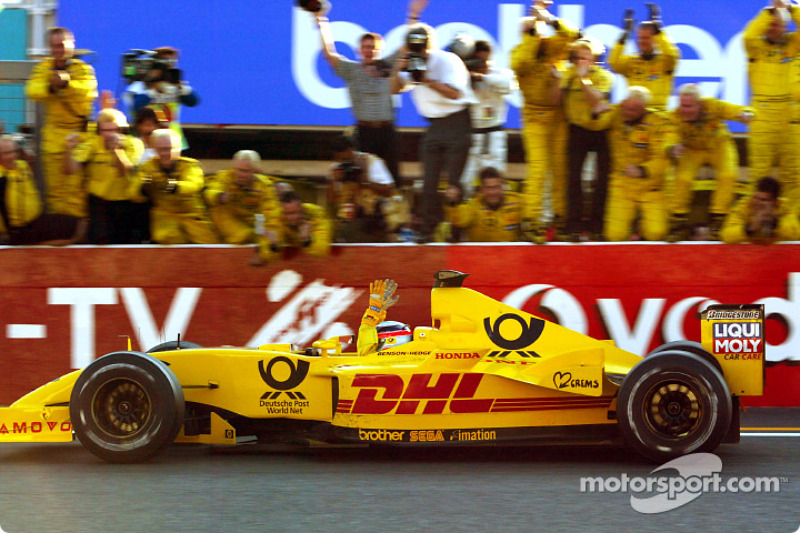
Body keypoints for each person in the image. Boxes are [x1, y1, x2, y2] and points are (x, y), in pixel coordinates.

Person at [390, 0, 477, 243]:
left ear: (431, 45)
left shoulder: (447, 60)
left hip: (458, 123)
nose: (421, 53)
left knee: (454, 184)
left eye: (423, 48)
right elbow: (394, 89)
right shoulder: (412, 62)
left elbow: (455, 93)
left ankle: (456, 229)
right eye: (416, 48)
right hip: (434, 126)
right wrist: (400, 65)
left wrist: (427, 80)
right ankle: (428, 230)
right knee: (428, 183)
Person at [511, 1, 579, 242]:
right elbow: (520, 64)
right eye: (530, 31)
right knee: (538, 169)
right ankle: (531, 221)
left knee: (560, 169)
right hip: (535, 117)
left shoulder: (552, 46)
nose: (536, 34)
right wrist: (531, 35)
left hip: (558, 116)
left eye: (536, 30)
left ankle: (560, 221)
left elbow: (574, 36)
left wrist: (548, 19)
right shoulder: (519, 52)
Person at [314, 11, 400, 185]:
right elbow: (329, 54)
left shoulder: (388, 66)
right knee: (363, 179)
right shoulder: (352, 70)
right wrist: (321, 22)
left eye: (372, 47)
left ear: (379, 50)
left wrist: (414, 16)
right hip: (364, 132)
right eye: (365, 47)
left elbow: (409, 46)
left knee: (392, 180)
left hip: (387, 131)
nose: (369, 51)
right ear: (359, 50)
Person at [25, 27, 98, 217]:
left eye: (63, 45)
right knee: (54, 192)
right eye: (55, 46)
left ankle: (77, 238)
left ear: (72, 45)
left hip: (78, 137)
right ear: (50, 47)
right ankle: (59, 234)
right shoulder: (43, 68)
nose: (59, 49)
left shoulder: (83, 69)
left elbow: (88, 90)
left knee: (76, 190)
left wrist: (67, 84)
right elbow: (32, 90)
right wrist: (51, 85)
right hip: (53, 138)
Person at [667, 84, 755, 241]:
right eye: (682, 105)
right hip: (692, 149)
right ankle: (678, 224)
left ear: (699, 103)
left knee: (728, 174)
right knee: (682, 178)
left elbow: (735, 110)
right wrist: (671, 148)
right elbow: (669, 138)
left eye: (689, 106)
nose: (684, 110)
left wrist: (746, 114)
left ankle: (718, 222)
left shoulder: (713, 105)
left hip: (719, 145)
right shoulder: (675, 116)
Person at [598, 86, 675, 242]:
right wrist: (594, 111)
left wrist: (642, 170)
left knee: (656, 234)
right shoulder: (614, 113)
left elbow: (663, 158)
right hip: (621, 182)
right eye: (626, 107)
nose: (627, 112)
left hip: (650, 185)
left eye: (633, 110)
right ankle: (633, 224)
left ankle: (640, 225)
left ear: (644, 110)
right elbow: (592, 120)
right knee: (614, 236)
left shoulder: (658, 122)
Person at [743, 1, 800, 205]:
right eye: (769, 24)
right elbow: (749, 35)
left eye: (776, 24)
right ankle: (755, 222)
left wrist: (791, 9)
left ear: (785, 26)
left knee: (793, 176)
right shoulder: (755, 47)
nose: (771, 28)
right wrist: (769, 11)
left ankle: (793, 225)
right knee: (759, 176)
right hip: (762, 115)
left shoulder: (793, 44)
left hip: (789, 116)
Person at [64, 108, 143, 244]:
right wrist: (68, 149)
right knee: (99, 242)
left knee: (125, 244)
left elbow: (125, 172)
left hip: (124, 202)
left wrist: (117, 150)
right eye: (105, 130)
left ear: (122, 130)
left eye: (114, 130)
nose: (110, 134)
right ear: (99, 131)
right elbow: (70, 170)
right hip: (99, 203)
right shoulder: (93, 143)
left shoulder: (133, 144)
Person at [562, 37, 613, 241]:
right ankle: (573, 225)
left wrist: (583, 80)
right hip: (577, 129)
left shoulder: (604, 76)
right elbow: (555, 100)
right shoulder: (568, 75)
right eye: (578, 56)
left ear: (593, 58)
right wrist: (557, 81)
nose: (581, 60)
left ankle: (597, 225)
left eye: (586, 56)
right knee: (573, 178)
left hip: (601, 130)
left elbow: (596, 101)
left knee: (602, 179)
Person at [132, 128, 218, 244]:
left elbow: (194, 184)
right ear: (156, 150)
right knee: (170, 240)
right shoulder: (147, 167)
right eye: (162, 149)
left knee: (209, 246)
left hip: (193, 216)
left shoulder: (190, 165)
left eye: (170, 149)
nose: (166, 153)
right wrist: (143, 189)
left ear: (179, 149)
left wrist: (177, 187)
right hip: (165, 218)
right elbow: (133, 193)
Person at [0, 135, 86, 245]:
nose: (12, 156)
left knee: (79, 224)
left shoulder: (22, 165)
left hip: (36, 220)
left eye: (14, 151)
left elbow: (31, 157)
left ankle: (39, 247)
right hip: (18, 230)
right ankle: (32, 247)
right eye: (7, 153)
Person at [460, 40, 516, 197]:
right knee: (466, 180)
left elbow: (509, 85)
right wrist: (469, 75)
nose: (482, 64)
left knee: (495, 178)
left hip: (494, 134)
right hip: (471, 134)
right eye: (478, 60)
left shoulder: (499, 74)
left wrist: (483, 77)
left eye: (485, 60)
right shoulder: (463, 76)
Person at [328, 135, 405, 242]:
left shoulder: (371, 162)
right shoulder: (336, 168)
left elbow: (389, 190)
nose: (344, 162)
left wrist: (365, 182)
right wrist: (333, 181)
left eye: (346, 158)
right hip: (350, 217)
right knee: (341, 232)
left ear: (352, 150)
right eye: (340, 159)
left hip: (376, 215)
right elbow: (332, 201)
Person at [123, 47, 199, 151]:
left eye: (172, 61)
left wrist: (181, 88)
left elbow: (194, 101)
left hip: (173, 143)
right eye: (164, 61)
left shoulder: (174, 85)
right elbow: (135, 108)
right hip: (144, 144)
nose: (168, 66)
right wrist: (153, 90)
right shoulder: (139, 86)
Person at [608, 3, 680, 111]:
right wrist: (625, 35)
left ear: (655, 39)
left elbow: (672, 55)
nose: (642, 42)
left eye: (646, 38)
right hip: (635, 115)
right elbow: (614, 63)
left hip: (658, 115)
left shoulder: (665, 62)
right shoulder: (631, 61)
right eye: (640, 38)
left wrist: (658, 30)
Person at [203, 150, 280, 244]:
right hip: (228, 224)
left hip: (251, 225)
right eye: (238, 169)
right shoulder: (225, 177)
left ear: (255, 171)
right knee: (216, 209)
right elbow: (209, 193)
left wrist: (271, 231)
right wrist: (220, 196)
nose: (240, 174)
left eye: (245, 171)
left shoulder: (265, 186)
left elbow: (272, 212)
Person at [253, 189, 332, 265]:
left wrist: (307, 240)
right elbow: (269, 258)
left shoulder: (317, 214)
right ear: (282, 211)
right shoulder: (276, 217)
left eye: (295, 212)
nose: (292, 217)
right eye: (288, 213)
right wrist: (273, 245)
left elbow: (321, 252)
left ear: (302, 209)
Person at [443, 166, 522, 242]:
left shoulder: (516, 202)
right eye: (488, 188)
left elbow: (530, 212)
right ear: (481, 189)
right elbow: (460, 220)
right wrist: (452, 202)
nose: (493, 192)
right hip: (480, 254)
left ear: (502, 187)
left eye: (496, 187)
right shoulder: (473, 206)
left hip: (511, 254)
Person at [720, 176, 800, 244]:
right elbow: (726, 235)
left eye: (764, 200)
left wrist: (775, 224)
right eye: (755, 197)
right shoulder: (745, 206)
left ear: (775, 201)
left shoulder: (783, 207)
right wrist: (749, 228)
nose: (757, 202)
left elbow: (796, 233)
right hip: (748, 256)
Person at [357, 278, 411, 357]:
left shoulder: (373, 365)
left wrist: (374, 309)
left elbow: (366, 353)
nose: (374, 342)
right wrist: (379, 310)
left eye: (376, 341)